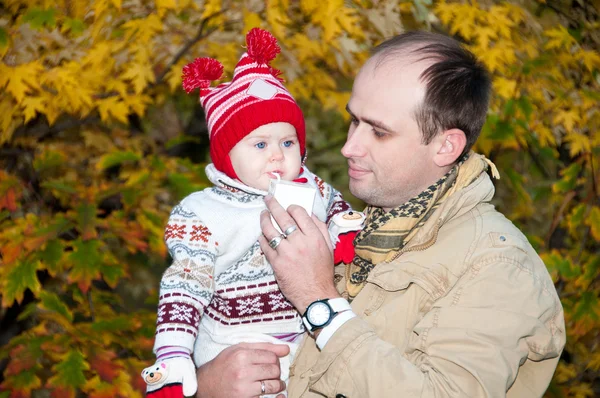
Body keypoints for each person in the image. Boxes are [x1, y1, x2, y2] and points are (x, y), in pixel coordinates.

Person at [194, 30, 566, 398]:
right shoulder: (344, 228)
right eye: (354, 120)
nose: (349, 146)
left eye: (380, 132)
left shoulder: (497, 265)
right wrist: (206, 385)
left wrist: (318, 301)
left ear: (445, 146)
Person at [141, 28, 363, 398]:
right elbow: (184, 287)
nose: (277, 154)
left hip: (303, 344)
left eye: (287, 142)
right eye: (260, 144)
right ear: (228, 156)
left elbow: (340, 211)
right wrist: (174, 356)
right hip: (231, 347)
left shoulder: (313, 188)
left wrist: (344, 235)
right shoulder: (203, 213)